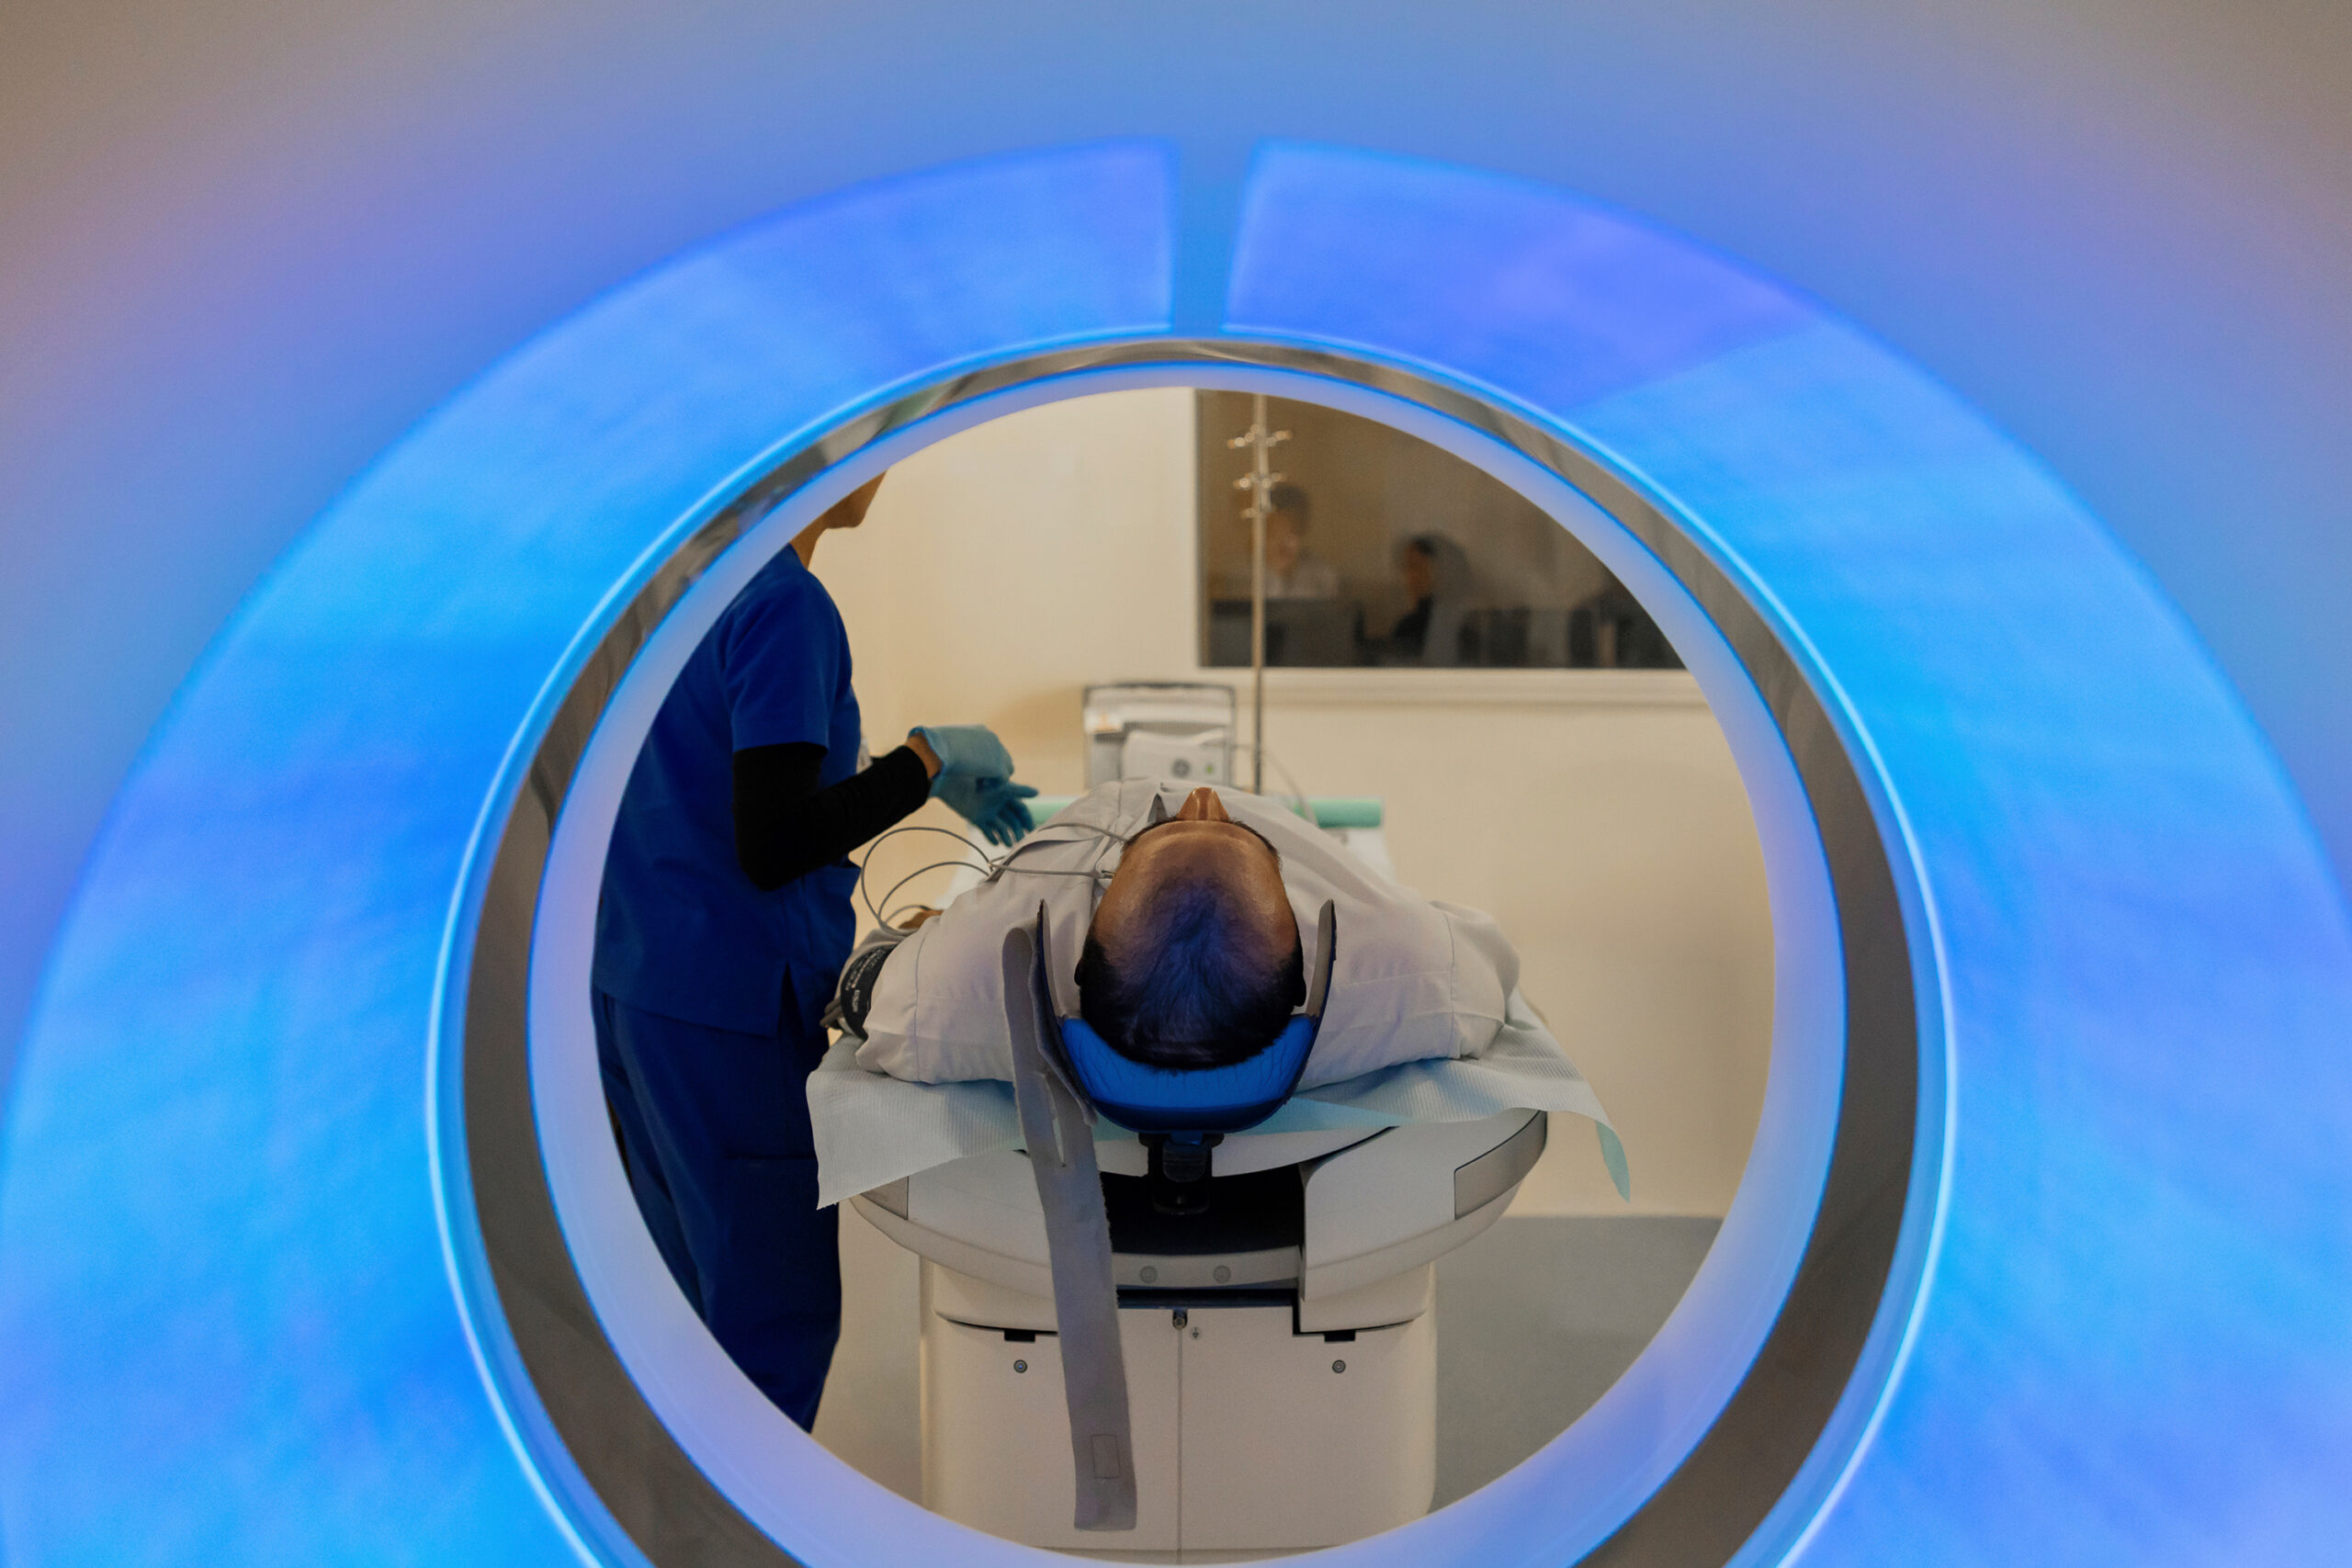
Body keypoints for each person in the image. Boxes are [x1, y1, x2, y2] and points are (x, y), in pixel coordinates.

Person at [591, 472, 1035, 1429]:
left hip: (640, 989)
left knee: (685, 1321)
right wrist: (921, 763)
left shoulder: (683, 583)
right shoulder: (784, 603)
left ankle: (678, 1507)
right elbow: (775, 841)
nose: (885, 468)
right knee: (768, 1336)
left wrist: (905, 776)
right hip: (730, 1014)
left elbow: (726, 777)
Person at [835, 780, 1531, 1088]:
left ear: (1079, 956)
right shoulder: (1414, 964)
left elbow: (861, 986)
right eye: (1239, 830)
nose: (1203, 796)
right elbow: (1487, 965)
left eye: (1155, 835)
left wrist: (922, 939)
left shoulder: (957, 985)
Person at [1379, 533, 1474, 666]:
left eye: (1417, 566)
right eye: (1407, 568)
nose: (1410, 577)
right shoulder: (1408, 628)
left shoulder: (1468, 627)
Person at [1259, 482, 1340, 601]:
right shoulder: (1246, 574)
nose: (1284, 543)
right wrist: (1277, 574)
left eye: (1290, 534)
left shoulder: (1322, 575)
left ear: (1302, 529)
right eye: (1275, 534)